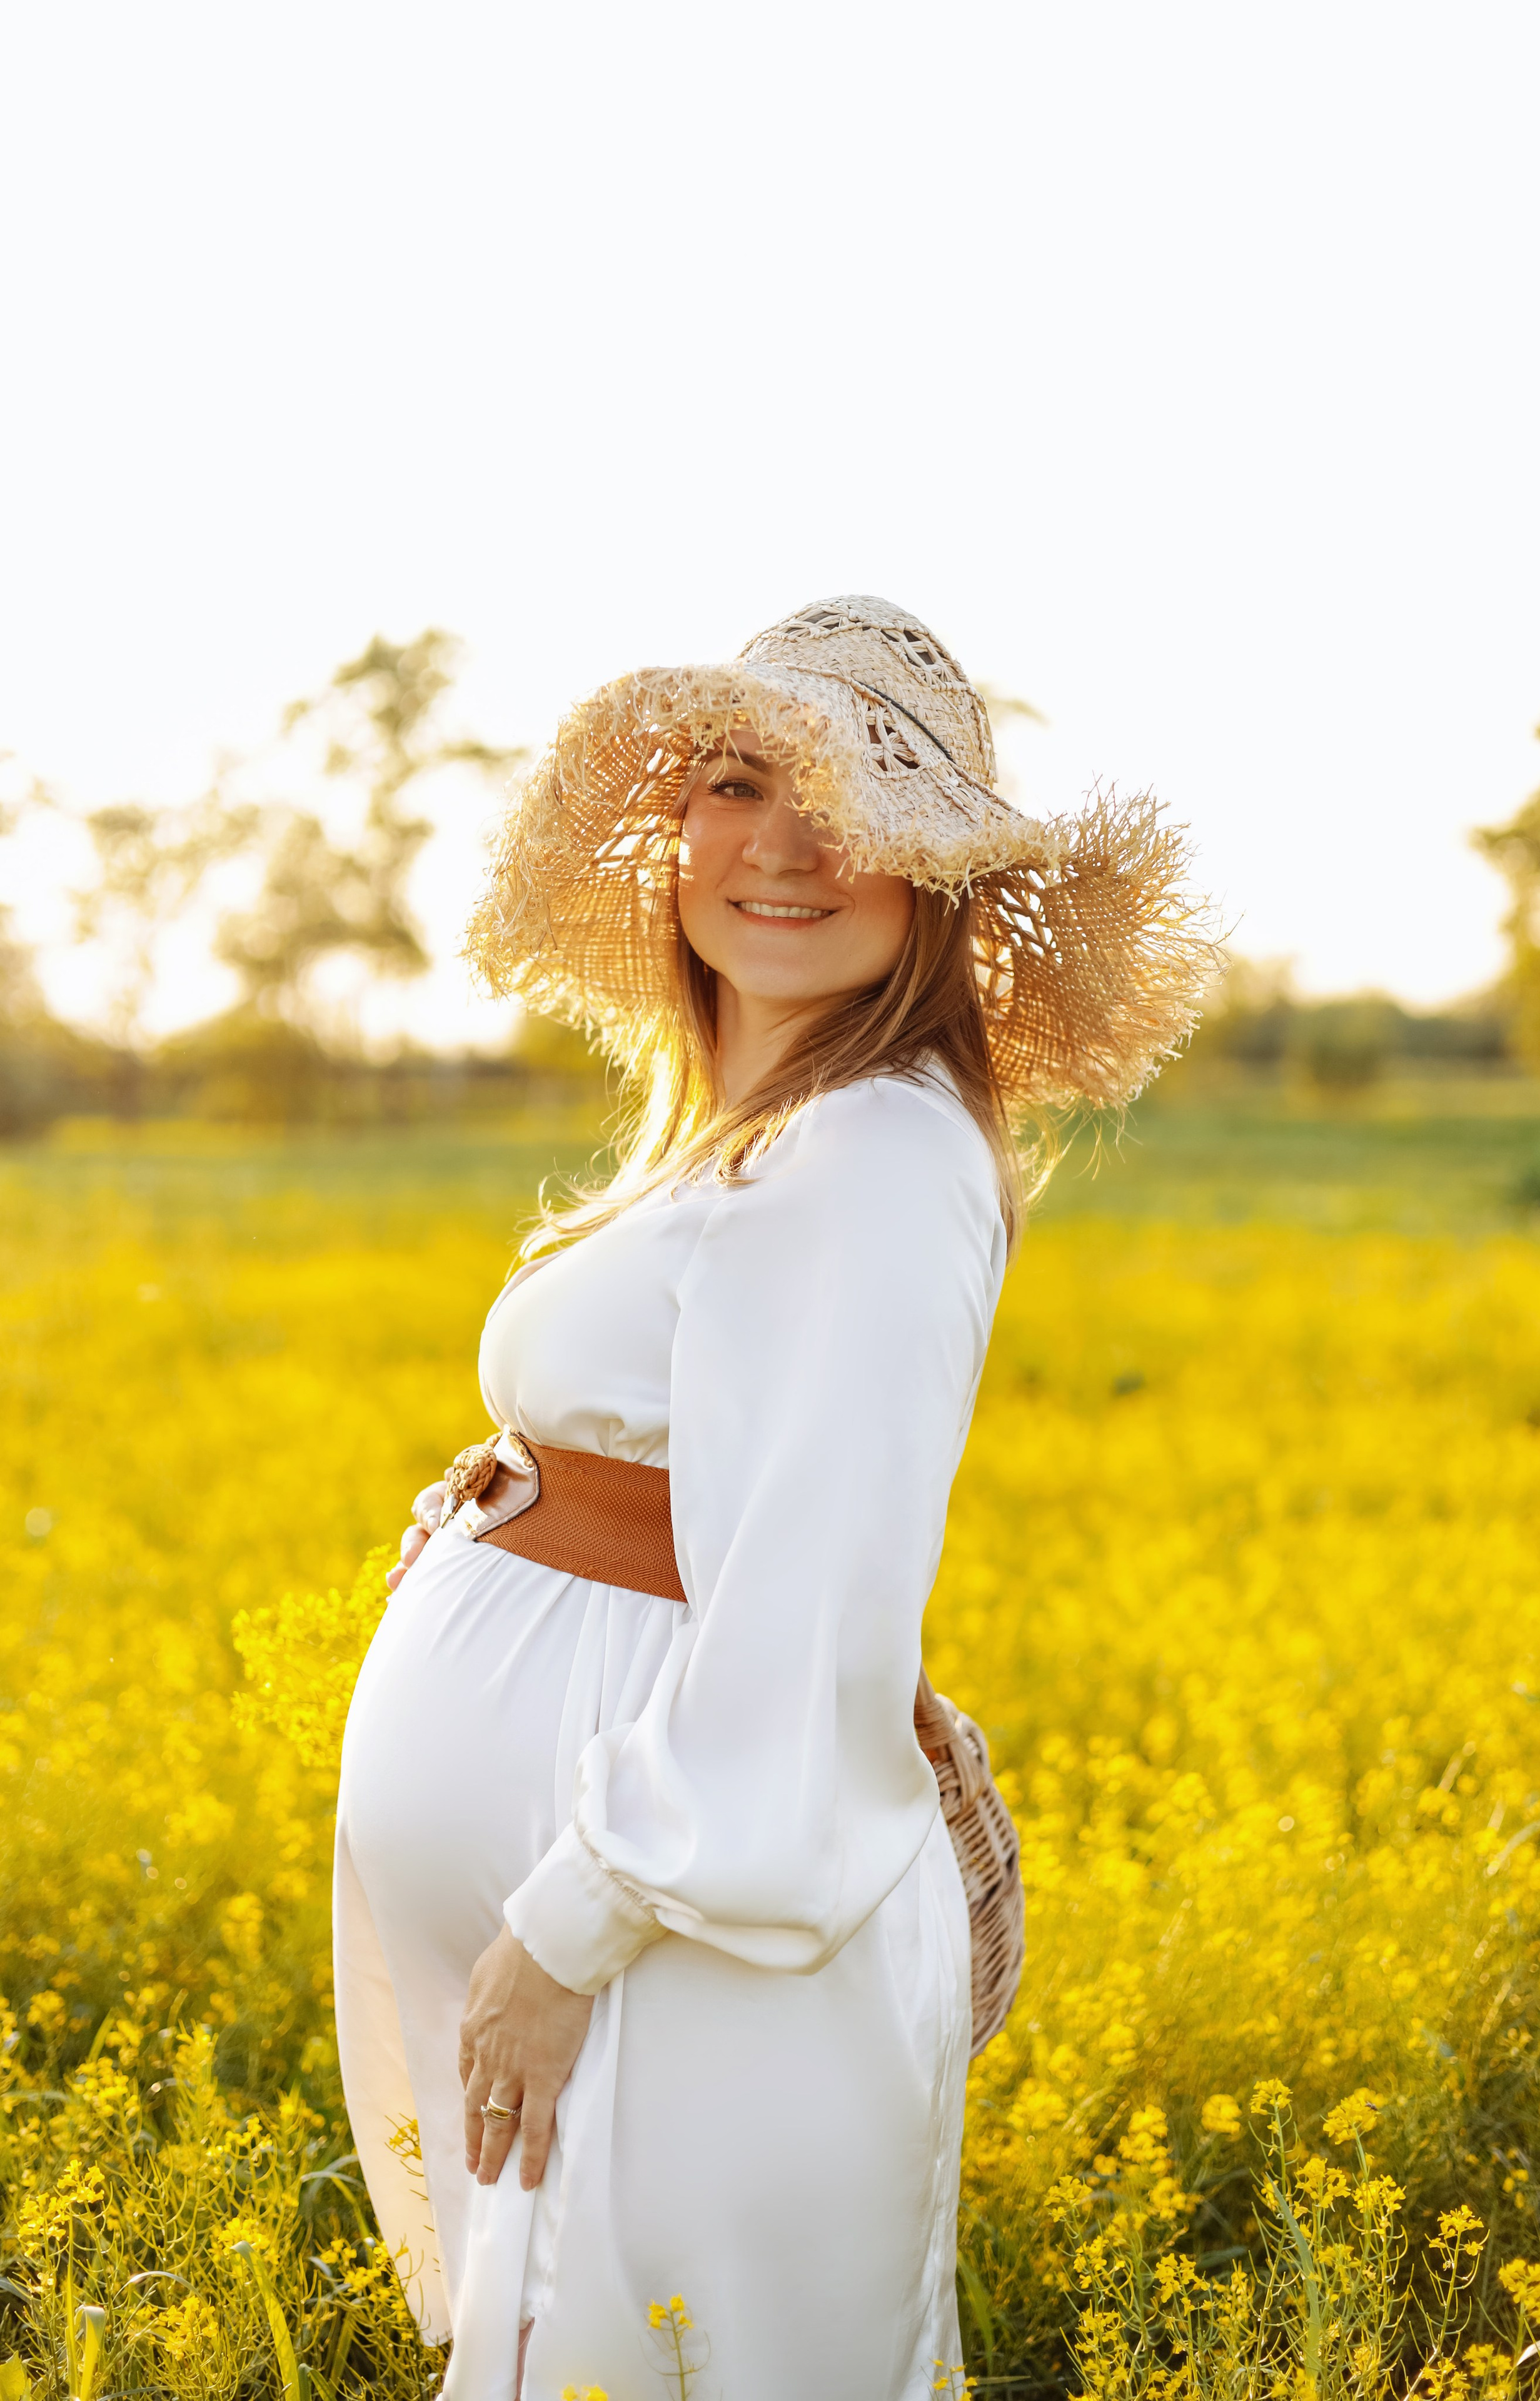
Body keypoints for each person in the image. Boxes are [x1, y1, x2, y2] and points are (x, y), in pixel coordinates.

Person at [333, 597, 1210, 2400]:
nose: (791, 842)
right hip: (651, 1915)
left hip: (688, 1931)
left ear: (938, 882)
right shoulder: (767, 1131)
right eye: (743, 781)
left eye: (862, 802)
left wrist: (567, 1927)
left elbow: (808, 1609)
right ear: (679, 837)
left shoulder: (874, 1149)